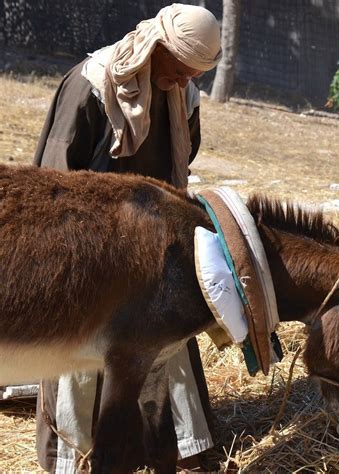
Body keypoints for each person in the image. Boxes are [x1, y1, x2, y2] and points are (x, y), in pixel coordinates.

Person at [32, 4, 222, 472]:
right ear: (158, 47)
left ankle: (171, 447)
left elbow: (182, 161)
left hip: (151, 241)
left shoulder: (186, 94)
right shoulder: (92, 85)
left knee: (168, 334)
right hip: (85, 240)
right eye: (177, 71)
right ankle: (75, 455)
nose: (181, 84)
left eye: (192, 76)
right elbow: (53, 181)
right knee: (80, 349)